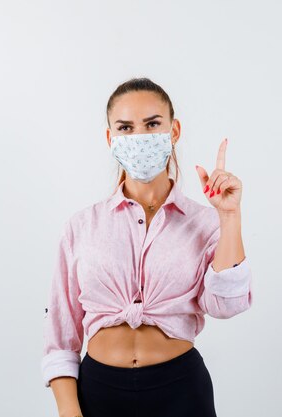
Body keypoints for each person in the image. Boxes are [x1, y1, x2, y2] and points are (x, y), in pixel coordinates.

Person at [41, 77, 253, 417]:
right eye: (125, 127)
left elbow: (225, 305)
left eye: (152, 124)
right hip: (98, 393)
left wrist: (229, 216)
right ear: (111, 138)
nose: (139, 137)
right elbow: (61, 335)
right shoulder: (81, 227)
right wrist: (69, 412)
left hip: (181, 392)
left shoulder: (204, 222)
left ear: (174, 130)